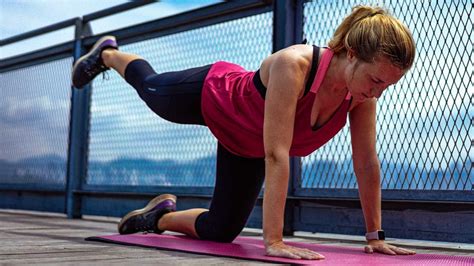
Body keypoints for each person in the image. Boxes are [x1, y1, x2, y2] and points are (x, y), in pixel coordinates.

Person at [72, 5, 416, 260]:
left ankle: (159, 217)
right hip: (215, 97)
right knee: (151, 91)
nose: (378, 93)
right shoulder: (294, 65)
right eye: (375, 80)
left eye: (387, 85)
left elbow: (366, 164)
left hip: (246, 144)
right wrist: (274, 240)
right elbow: (277, 154)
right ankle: (108, 53)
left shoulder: (361, 98)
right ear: (352, 54)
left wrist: (374, 235)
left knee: (221, 231)